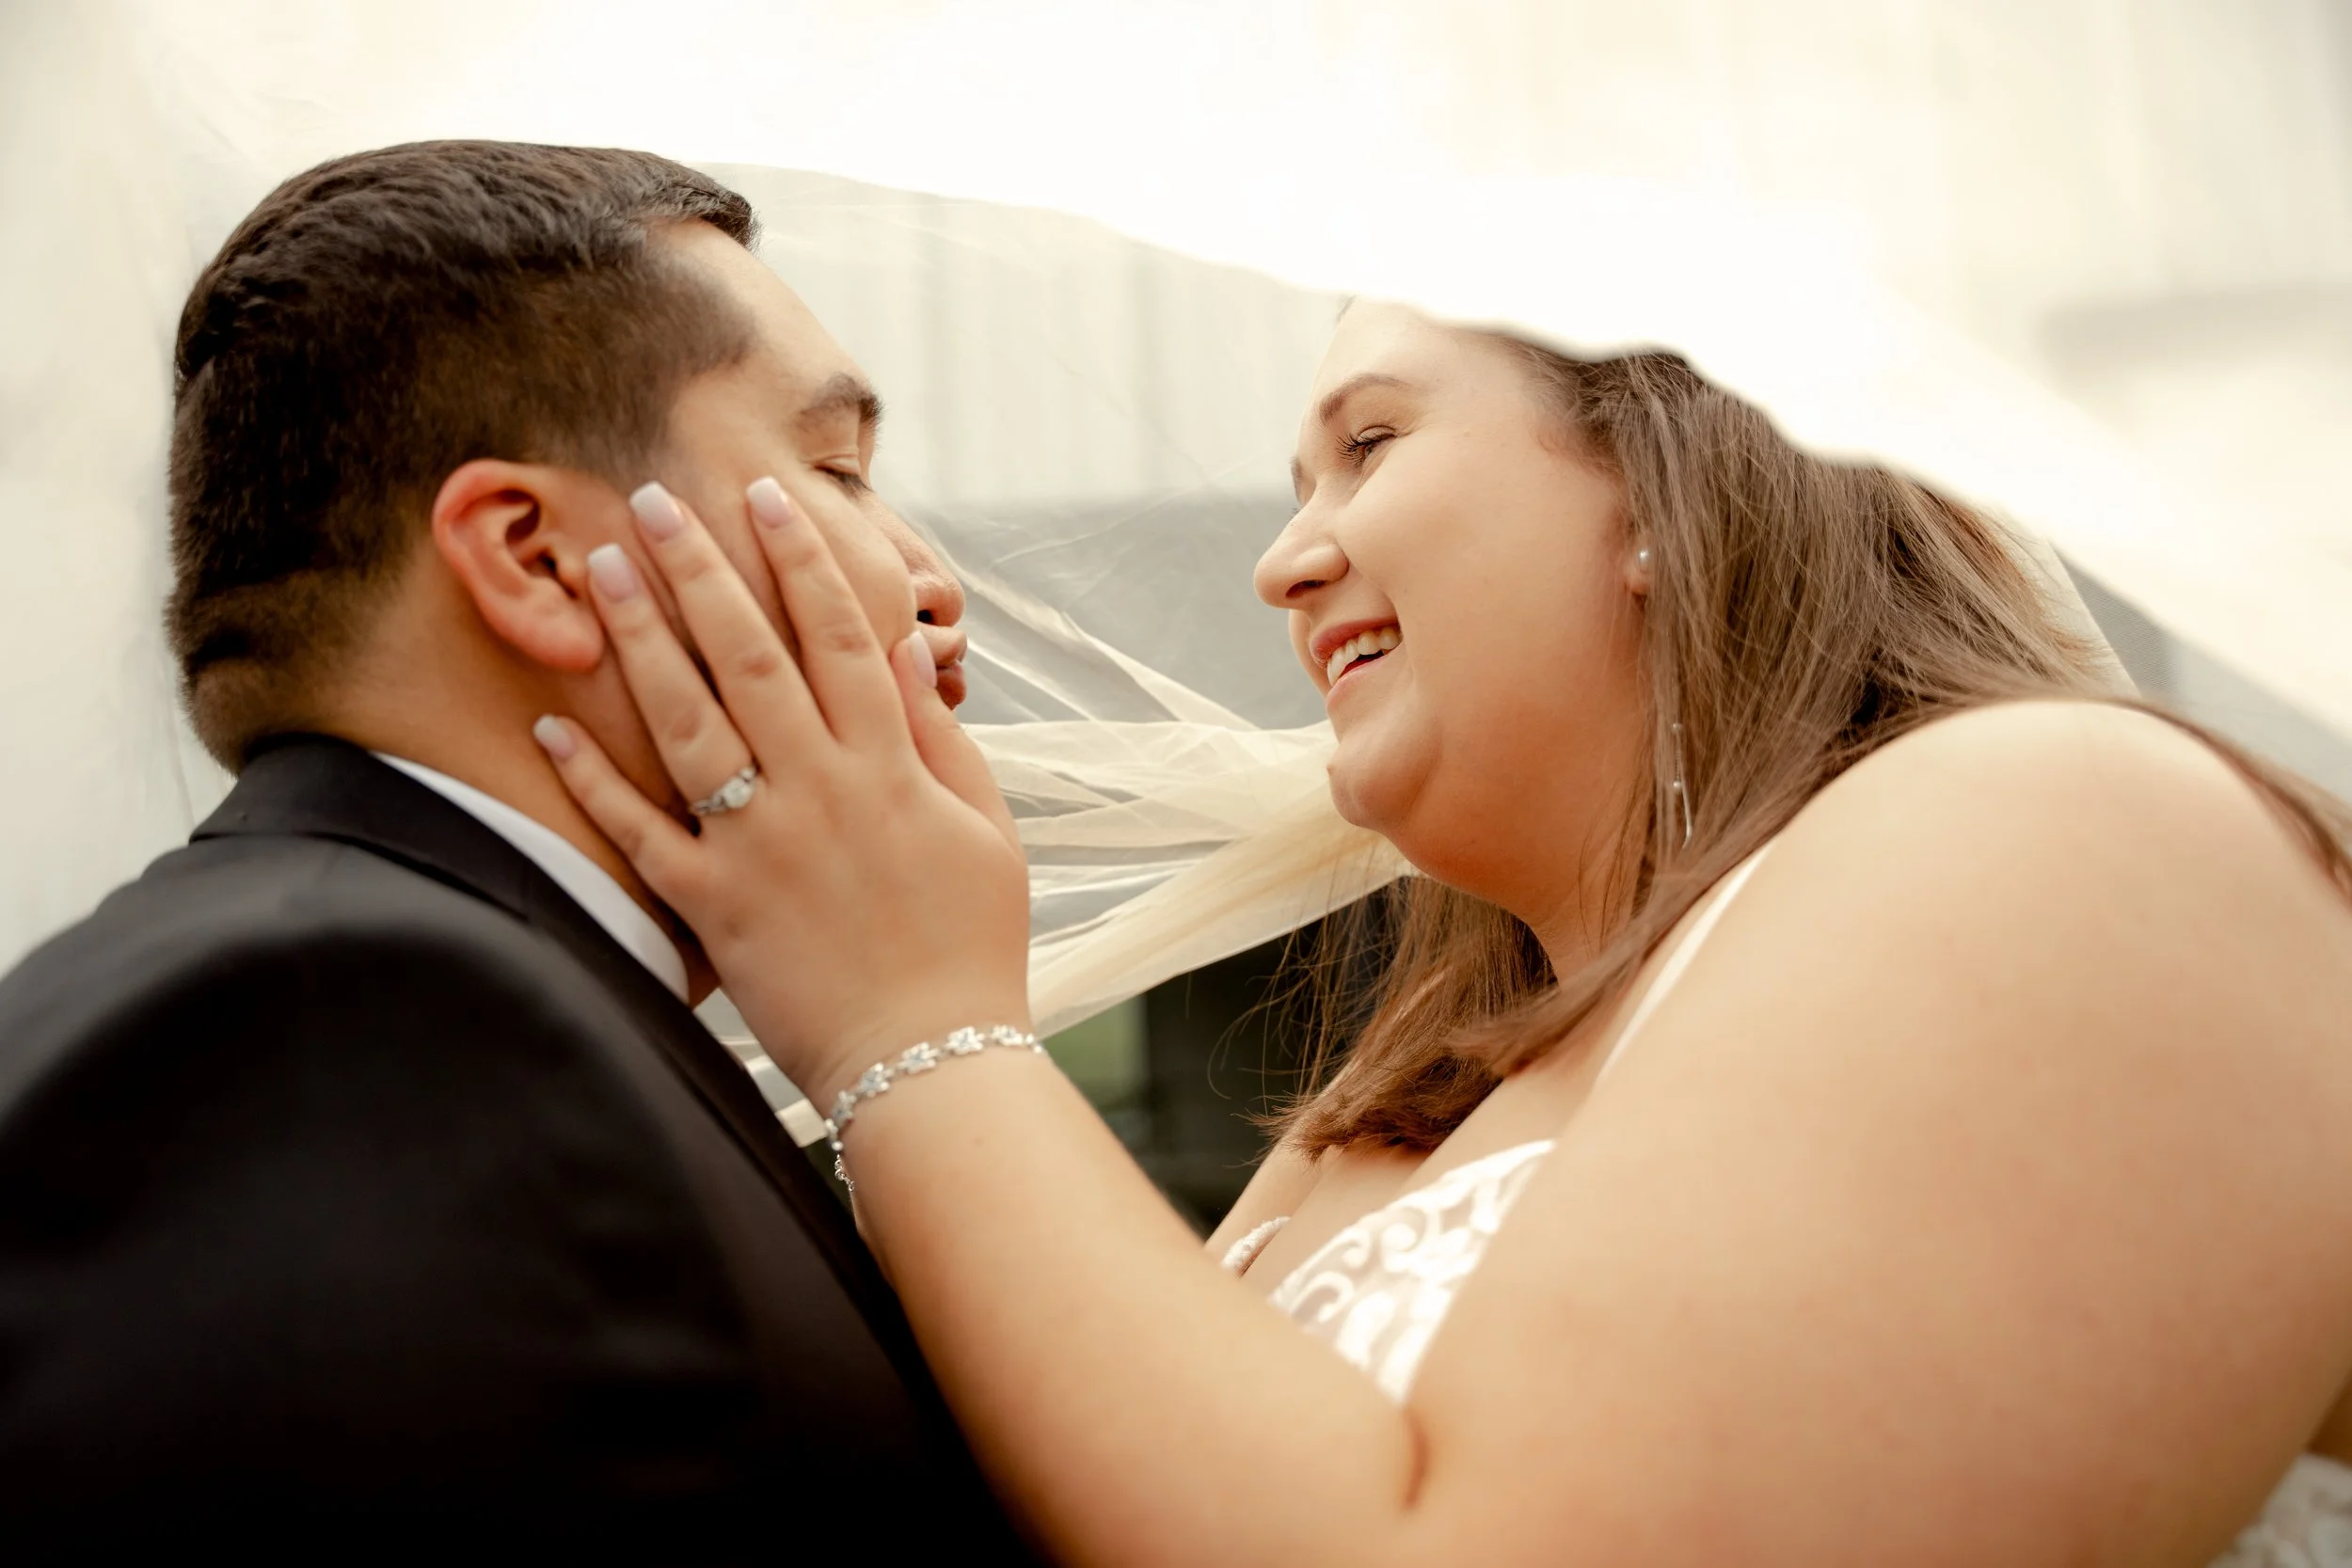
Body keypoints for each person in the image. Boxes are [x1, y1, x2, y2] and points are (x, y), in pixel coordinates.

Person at [544, 300, 2352, 1565]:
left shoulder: (2052, 819)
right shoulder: (1377, 1121)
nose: (1285, 558)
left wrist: (915, 1026)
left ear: (1662, 476)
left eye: (1372, 445)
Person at [0, 141, 1029, 1561]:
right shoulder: (337, 1029)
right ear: (537, 557)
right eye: (836, 469)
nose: (932, 583)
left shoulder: (427, 1002)